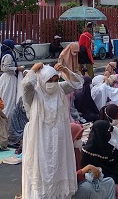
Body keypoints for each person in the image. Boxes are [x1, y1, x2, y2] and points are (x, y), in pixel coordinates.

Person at [21, 62, 83, 199]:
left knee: (58, 167)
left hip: (60, 139)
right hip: (39, 139)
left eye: (56, 80)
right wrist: (33, 70)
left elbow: (77, 83)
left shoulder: (60, 89)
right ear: (42, 80)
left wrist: (65, 71)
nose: (53, 83)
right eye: (49, 80)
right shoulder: (34, 93)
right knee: (42, 170)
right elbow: (26, 85)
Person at [0, 53, 24, 119]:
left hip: (6, 79)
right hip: (9, 80)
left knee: (5, 98)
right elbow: (6, 68)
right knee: (9, 99)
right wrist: (17, 68)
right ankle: (7, 118)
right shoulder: (8, 56)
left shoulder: (4, 55)